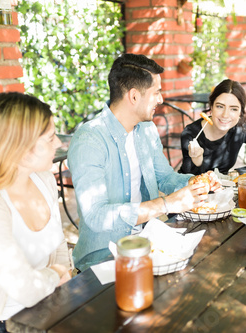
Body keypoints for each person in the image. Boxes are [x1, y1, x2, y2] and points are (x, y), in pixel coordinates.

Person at [68, 54, 217, 272]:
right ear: (134, 96)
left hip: (151, 241)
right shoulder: (89, 140)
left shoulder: (146, 130)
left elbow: (165, 178)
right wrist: (166, 205)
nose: (161, 99)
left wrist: (196, 181)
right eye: (156, 92)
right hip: (104, 258)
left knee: (205, 264)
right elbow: (96, 216)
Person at [0, 92, 72, 333]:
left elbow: (59, 245)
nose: (59, 144)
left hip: (42, 311)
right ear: (21, 150)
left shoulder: (43, 179)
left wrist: (60, 275)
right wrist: (57, 273)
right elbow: (26, 289)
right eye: (50, 139)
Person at [179, 79, 246, 176]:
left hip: (222, 190)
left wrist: (239, 172)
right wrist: (198, 161)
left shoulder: (243, 127)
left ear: (240, 112)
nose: (225, 115)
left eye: (233, 109)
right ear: (211, 106)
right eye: (220, 106)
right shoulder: (191, 133)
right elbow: (189, 177)